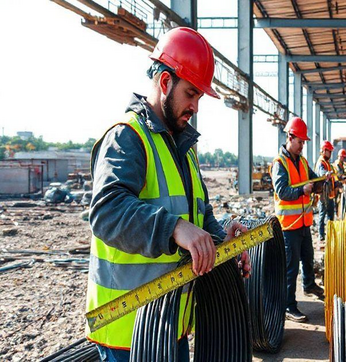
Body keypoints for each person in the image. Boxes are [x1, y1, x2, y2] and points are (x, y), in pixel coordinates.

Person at [86, 27, 251, 361]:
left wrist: (222, 240)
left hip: (171, 324)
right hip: (128, 335)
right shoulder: (127, 137)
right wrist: (174, 228)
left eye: (200, 97)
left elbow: (198, 216)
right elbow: (106, 212)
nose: (196, 107)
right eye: (191, 94)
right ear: (164, 83)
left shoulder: (184, 148)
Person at [271, 117, 328, 322]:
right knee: (290, 268)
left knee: (308, 258)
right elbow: (283, 191)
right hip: (288, 227)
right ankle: (288, 306)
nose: (302, 146)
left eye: (304, 142)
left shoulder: (303, 162)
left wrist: (322, 182)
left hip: (304, 224)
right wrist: (302, 190)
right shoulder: (280, 164)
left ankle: (309, 284)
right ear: (290, 137)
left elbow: (313, 179)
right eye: (300, 142)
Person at [315, 141, 338, 245]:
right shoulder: (321, 163)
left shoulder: (328, 163)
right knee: (322, 215)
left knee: (330, 215)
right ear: (324, 151)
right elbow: (322, 174)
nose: (330, 153)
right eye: (329, 151)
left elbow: (331, 178)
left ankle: (330, 234)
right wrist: (327, 174)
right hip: (323, 194)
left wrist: (337, 182)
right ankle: (321, 236)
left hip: (329, 193)